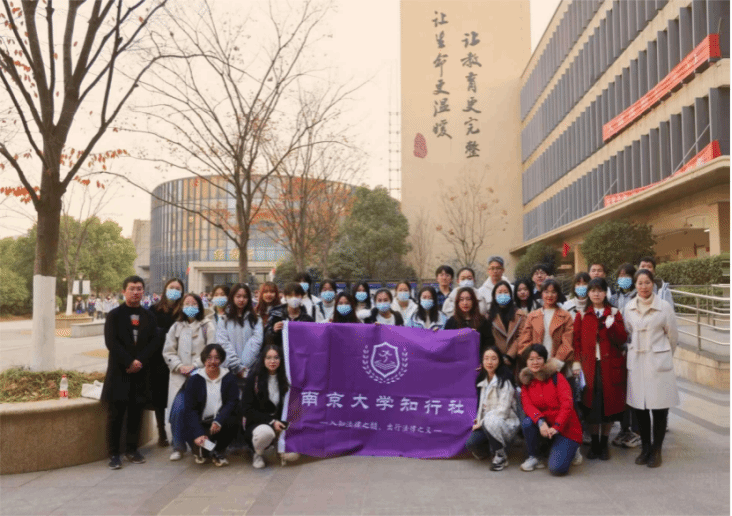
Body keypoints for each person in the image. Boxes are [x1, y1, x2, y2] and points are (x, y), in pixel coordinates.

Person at [623, 269, 679, 468]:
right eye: (640, 283)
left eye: (647, 282)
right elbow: (629, 330)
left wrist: (662, 354)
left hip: (657, 363)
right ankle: (645, 448)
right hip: (637, 363)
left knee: (659, 409)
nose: (644, 287)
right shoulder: (629, 307)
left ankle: (657, 450)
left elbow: (673, 337)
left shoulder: (664, 307)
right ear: (635, 285)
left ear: (652, 284)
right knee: (641, 409)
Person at [102, 275, 159, 470]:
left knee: (136, 413)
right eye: (132, 289)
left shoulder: (149, 316)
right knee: (116, 415)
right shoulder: (114, 315)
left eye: (139, 289)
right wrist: (129, 361)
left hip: (140, 373)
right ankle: (114, 454)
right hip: (119, 371)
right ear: (124, 291)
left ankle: (132, 449)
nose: (136, 292)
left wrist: (139, 361)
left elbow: (154, 342)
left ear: (143, 291)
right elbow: (111, 342)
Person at [572, 278, 628, 461]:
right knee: (592, 406)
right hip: (590, 367)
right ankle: (594, 442)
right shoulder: (582, 315)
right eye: (593, 290)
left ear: (605, 293)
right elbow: (576, 341)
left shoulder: (614, 312)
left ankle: (604, 443)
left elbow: (621, 339)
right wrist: (576, 363)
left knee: (608, 406)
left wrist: (612, 326)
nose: (596, 294)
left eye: (600, 290)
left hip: (609, 367)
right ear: (588, 293)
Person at [163, 293, 217, 462]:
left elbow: (211, 350)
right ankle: (178, 446)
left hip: (200, 376)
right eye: (187, 304)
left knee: (200, 413)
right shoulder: (176, 327)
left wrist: (194, 365)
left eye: (194, 304)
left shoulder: (207, 326)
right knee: (177, 410)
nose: (190, 307)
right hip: (180, 378)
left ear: (200, 306)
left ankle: (204, 446)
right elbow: (168, 351)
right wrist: (179, 366)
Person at [519, 344, 583, 475]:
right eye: (531, 359)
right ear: (526, 362)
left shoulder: (557, 377)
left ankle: (573, 450)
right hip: (545, 426)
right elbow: (527, 406)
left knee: (557, 469)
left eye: (539, 358)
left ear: (545, 359)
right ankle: (534, 456)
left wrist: (557, 426)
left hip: (565, 428)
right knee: (527, 423)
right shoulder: (527, 382)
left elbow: (567, 405)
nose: (535, 362)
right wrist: (540, 421)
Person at [241, 344, 298, 469]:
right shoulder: (254, 379)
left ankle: (277, 448)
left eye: (276, 358)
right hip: (258, 423)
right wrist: (272, 422)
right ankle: (257, 453)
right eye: (268, 358)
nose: (272, 361)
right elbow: (247, 409)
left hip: (280, 423)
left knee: (293, 456)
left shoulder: (286, 378)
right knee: (265, 433)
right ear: (263, 359)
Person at [183, 344, 240, 466]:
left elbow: (232, 402)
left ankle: (217, 450)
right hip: (201, 424)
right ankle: (211, 450)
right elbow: (190, 410)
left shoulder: (229, 378)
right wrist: (198, 433)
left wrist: (219, 420)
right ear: (204, 359)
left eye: (217, 358)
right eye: (209, 358)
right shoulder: (194, 380)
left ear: (221, 360)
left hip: (220, 424)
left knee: (234, 418)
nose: (213, 361)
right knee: (201, 450)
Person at [466, 346, 520, 471]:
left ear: (500, 361)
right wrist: (479, 420)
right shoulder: (482, 379)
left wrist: (482, 423)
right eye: (486, 358)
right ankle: (492, 450)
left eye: (494, 359)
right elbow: (482, 406)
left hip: (503, 422)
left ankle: (500, 456)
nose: (489, 362)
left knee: (491, 421)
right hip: (486, 423)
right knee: (471, 444)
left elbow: (503, 411)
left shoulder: (505, 381)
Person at [149, 278, 185, 448]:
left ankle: (178, 432)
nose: (174, 291)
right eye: (172, 287)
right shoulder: (154, 309)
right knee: (159, 397)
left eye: (178, 288)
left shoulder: (184, 310)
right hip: (158, 359)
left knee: (177, 396)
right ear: (165, 289)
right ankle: (161, 431)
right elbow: (149, 333)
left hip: (180, 358)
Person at [517, 279, 573, 367]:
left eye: (553, 292)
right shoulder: (532, 316)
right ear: (541, 294)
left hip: (557, 364)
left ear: (558, 294)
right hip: (536, 365)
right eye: (546, 292)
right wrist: (534, 359)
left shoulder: (566, 316)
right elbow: (524, 342)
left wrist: (555, 363)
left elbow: (567, 343)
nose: (550, 295)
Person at [217, 283, 263, 382]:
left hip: (250, 370)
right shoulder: (224, 319)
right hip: (228, 369)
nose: (241, 300)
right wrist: (237, 366)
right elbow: (223, 343)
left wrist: (244, 366)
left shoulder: (256, 319)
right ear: (232, 297)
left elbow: (256, 342)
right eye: (238, 296)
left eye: (245, 297)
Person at [444, 287, 494, 358]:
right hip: (457, 361)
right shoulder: (451, 322)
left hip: (478, 360)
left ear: (474, 301)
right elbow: (446, 344)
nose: (465, 303)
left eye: (468, 299)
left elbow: (489, 344)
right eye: (461, 299)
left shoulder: (482, 321)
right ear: (457, 302)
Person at [486, 280, 525, 368]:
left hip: (516, 359)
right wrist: (498, 356)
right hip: (496, 360)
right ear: (494, 295)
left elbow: (522, 336)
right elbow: (488, 339)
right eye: (499, 292)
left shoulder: (519, 314)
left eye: (506, 292)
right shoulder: (488, 316)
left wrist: (509, 356)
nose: (502, 295)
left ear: (510, 295)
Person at [264, 282, 315, 347]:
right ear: (285, 297)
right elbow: (266, 340)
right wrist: (273, 331)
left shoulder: (308, 320)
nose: (294, 298)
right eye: (290, 295)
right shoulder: (276, 315)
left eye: (297, 295)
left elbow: (311, 341)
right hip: (280, 352)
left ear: (302, 296)